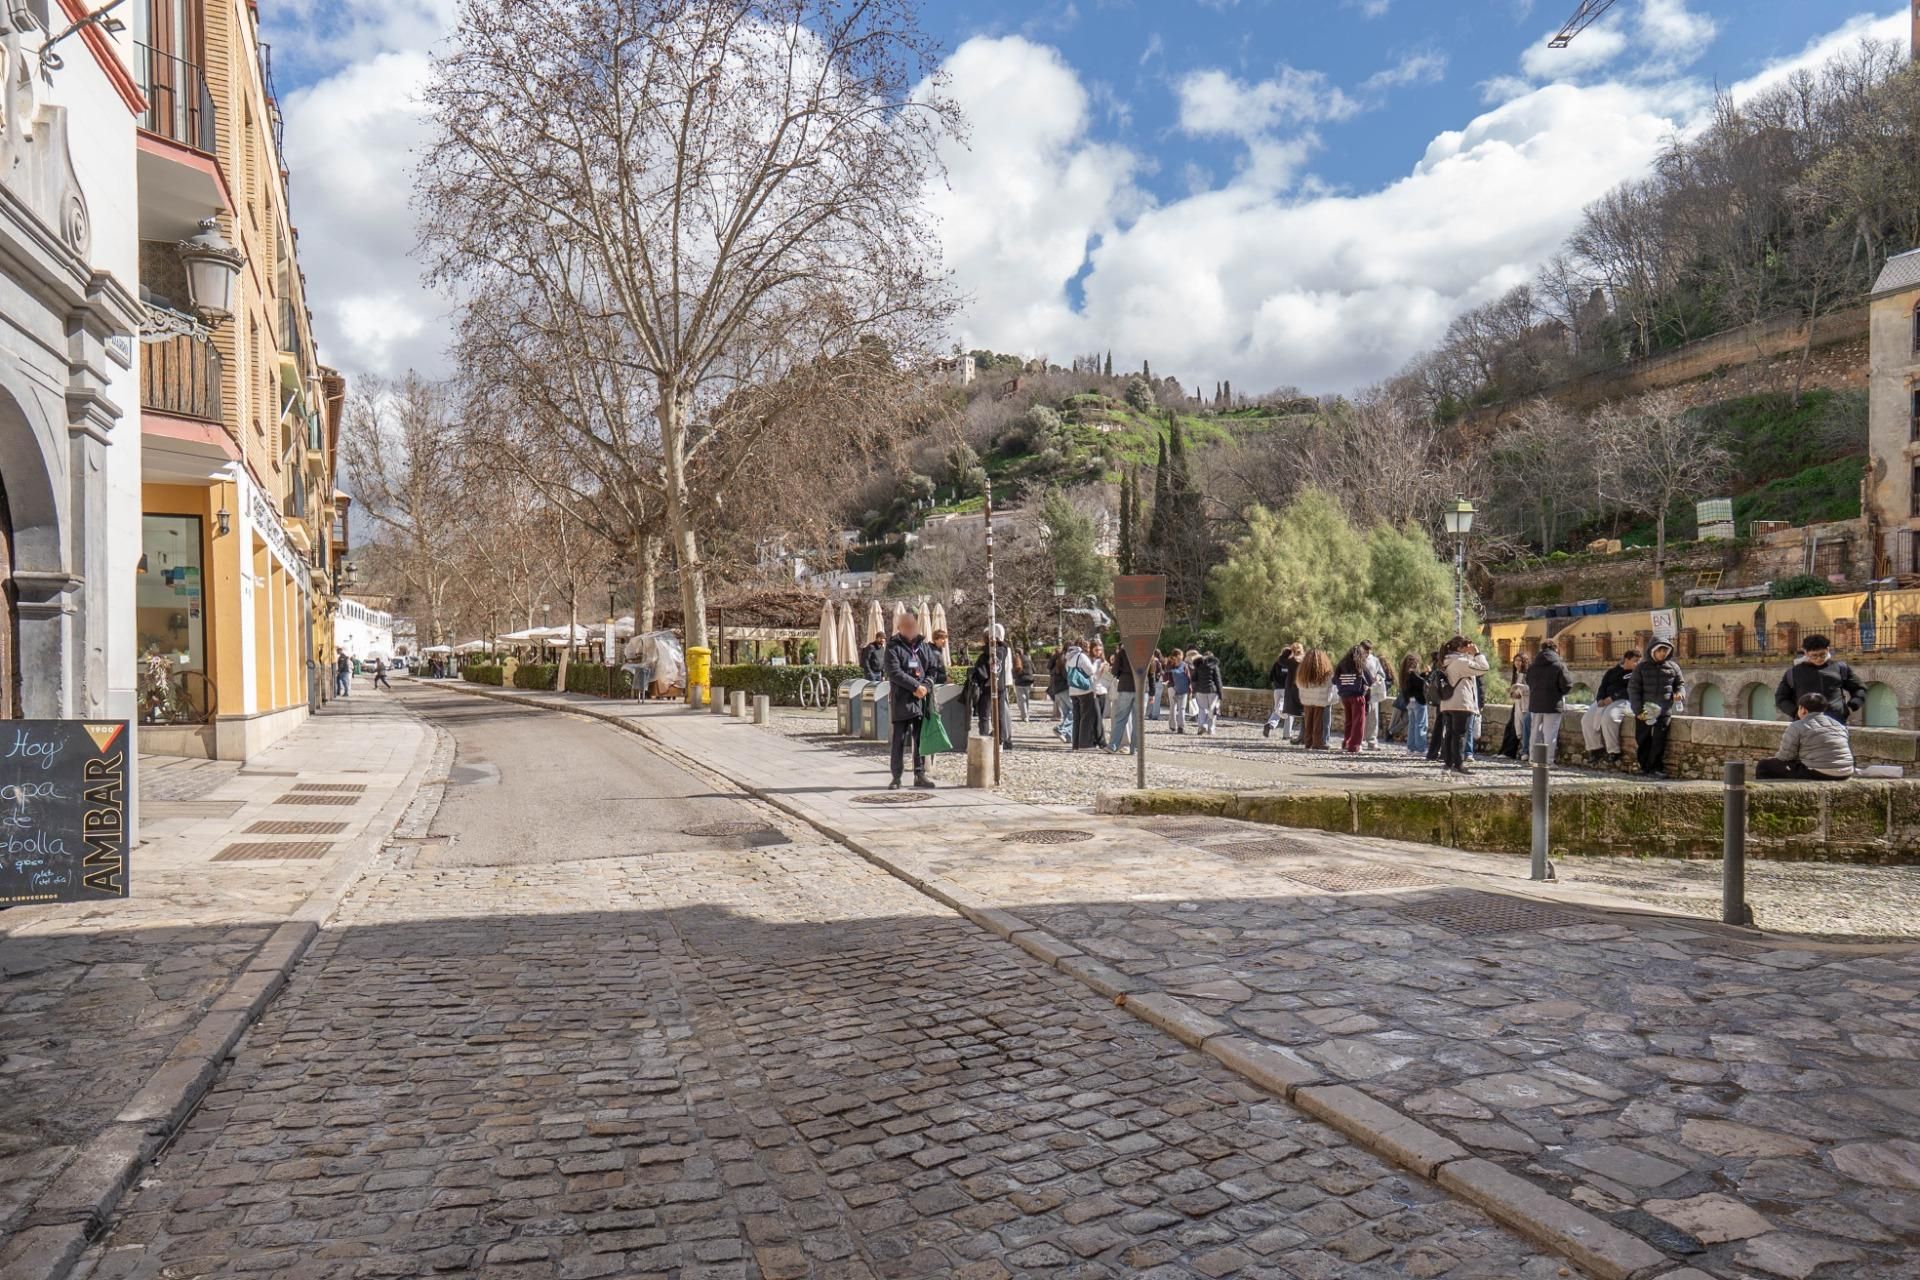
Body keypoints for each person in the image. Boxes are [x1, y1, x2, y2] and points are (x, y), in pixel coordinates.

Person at [883, 611, 938, 789]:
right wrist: (916, 686)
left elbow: (932, 669)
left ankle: (920, 774)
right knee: (899, 739)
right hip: (902, 700)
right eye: (906, 625)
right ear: (899, 628)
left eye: (912, 625)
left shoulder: (923, 645)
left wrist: (926, 686)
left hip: (921, 700)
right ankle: (896, 776)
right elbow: (894, 672)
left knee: (921, 739)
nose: (910, 628)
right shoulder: (893, 647)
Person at [1757, 692, 1855, 780]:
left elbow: (1785, 756)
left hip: (1821, 772)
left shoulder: (1798, 726)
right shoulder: (1838, 724)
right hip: (1847, 771)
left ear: (1803, 709)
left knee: (1764, 765)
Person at [1774, 634, 1865, 725]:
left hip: (1836, 724)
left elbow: (1860, 689)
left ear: (1828, 650)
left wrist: (1850, 708)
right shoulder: (1793, 673)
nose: (1819, 659)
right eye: (1814, 656)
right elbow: (1781, 698)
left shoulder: (1840, 668)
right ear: (1805, 653)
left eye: (1822, 655)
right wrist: (1795, 712)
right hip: (1805, 725)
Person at [1627, 638, 1685, 780]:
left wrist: (1680, 694)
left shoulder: (1674, 667)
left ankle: (1656, 768)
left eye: (1665, 651)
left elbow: (1680, 684)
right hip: (1645, 710)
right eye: (1660, 650)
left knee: (1659, 740)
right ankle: (1644, 767)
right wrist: (1638, 710)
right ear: (1653, 650)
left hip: (1664, 710)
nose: (1662, 653)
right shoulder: (1641, 668)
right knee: (1643, 739)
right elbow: (1633, 690)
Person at [1439, 636, 1489, 774]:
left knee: (1449, 734)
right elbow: (1484, 668)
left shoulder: (1447, 660)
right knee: (1459, 735)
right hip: (1461, 702)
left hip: (1447, 703)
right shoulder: (1460, 662)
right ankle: (1458, 764)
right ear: (1460, 648)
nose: (1470, 647)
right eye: (1467, 645)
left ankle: (1448, 764)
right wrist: (1477, 653)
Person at [1581, 649, 1640, 764]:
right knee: (1586, 720)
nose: (1637, 663)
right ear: (1627, 659)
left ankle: (1614, 751)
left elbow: (1631, 690)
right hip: (1605, 699)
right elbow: (1603, 686)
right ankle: (1595, 748)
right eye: (1635, 661)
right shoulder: (1612, 672)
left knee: (1609, 718)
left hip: (1623, 700)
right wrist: (1600, 699)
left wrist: (1613, 697)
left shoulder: (1636, 675)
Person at [1522, 638, 1572, 764]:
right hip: (1553, 703)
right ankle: (1547, 760)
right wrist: (1560, 692)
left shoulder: (1533, 665)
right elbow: (1567, 684)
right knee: (1550, 733)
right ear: (1555, 649)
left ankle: (1533, 757)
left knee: (1535, 732)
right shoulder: (1559, 665)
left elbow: (1528, 681)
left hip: (1535, 703)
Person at [969, 625, 1015, 751]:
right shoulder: (1002, 650)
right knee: (995, 715)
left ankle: (991, 740)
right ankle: (994, 740)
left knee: (989, 715)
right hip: (998, 686)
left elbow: (985, 670)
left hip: (990, 686)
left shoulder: (993, 652)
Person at [1333, 646, 1372, 754]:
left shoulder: (1341, 665)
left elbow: (1334, 680)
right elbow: (1370, 680)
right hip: (1357, 696)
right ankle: (1354, 745)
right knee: (1358, 722)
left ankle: (1346, 742)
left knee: (1349, 721)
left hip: (1344, 695)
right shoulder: (1360, 665)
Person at [1066, 637, 1103, 750]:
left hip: (1073, 690)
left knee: (1077, 718)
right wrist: (1097, 664)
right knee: (1086, 717)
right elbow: (1091, 671)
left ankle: (1076, 744)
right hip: (1084, 690)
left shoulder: (1069, 656)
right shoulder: (1081, 656)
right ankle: (1085, 744)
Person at [1296, 648, 1335, 750]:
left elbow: (1299, 684)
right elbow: (1330, 684)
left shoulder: (1303, 670)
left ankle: (1308, 741)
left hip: (1307, 700)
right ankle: (1319, 742)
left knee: (1308, 721)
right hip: (1321, 700)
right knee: (1320, 722)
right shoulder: (1325, 671)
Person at [1106, 643, 1141, 753]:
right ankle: (1134, 748)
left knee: (1120, 718)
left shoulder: (1123, 652)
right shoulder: (1146, 651)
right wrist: (1152, 692)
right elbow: (1151, 672)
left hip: (1125, 686)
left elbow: (1114, 671)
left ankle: (1113, 746)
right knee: (1137, 721)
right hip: (1140, 687)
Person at [1361, 641, 1392, 749]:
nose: (1367, 652)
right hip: (1360, 692)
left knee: (1373, 718)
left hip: (1372, 692)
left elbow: (1381, 673)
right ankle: (1359, 739)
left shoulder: (1374, 660)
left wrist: (1378, 678)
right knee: (1359, 717)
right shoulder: (1355, 659)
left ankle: (1372, 741)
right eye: (1365, 649)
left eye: (1369, 649)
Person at [1263, 646, 1298, 740]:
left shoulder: (1277, 664)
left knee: (1277, 709)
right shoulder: (1291, 664)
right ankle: (1287, 734)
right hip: (1288, 690)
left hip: (1277, 690)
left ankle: (1271, 724)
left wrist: (1276, 683)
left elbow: (1270, 677)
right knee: (1290, 712)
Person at [1400, 653, 1429, 756]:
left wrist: (1422, 674)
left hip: (1409, 701)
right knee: (1421, 725)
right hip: (1418, 701)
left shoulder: (1404, 673)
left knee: (1412, 725)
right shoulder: (1412, 673)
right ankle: (1420, 749)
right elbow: (1422, 684)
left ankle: (1410, 748)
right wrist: (1427, 675)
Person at [1191, 649, 1222, 735]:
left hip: (1200, 691)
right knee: (1212, 710)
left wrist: (1194, 690)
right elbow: (1218, 680)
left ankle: (1202, 725)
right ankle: (1211, 729)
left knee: (1202, 709)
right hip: (1212, 690)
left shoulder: (1198, 665)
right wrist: (1220, 694)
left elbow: (1193, 679)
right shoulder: (1214, 666)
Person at [1508, 651, 1532, 757]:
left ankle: (1525, 751)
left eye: (1519, 661)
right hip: (1518, 704)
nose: (1517, 663)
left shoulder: (1527, 675)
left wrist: (1519, 689)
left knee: (1525, 728)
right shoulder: (1515, 674)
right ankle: (1522, 750)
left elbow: (1530, 689)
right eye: (1515, 660)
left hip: (1526, 705)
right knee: (1519, 728)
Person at [1049, 650, 1073, 743]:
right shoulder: (1064, 664)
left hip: (1058, 691)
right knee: (1075, 711)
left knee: (1066, 713)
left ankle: (1068, 736)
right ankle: (1061, 728)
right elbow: (1068, 678)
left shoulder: (1057, 664)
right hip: (1065, 690)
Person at [1165, 649, 1192, 734]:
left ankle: (1172, 726)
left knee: (1173, 708)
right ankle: (1181, 727)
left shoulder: (1169, 664)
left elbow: (1165, 677)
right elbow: (1188, 677)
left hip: (1171, 688)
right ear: (1177, 656)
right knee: (1182, 708)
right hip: (1182, 688)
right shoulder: (1184, 665)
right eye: (1181, 655)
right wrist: (1190, 688)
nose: (1182, 656)